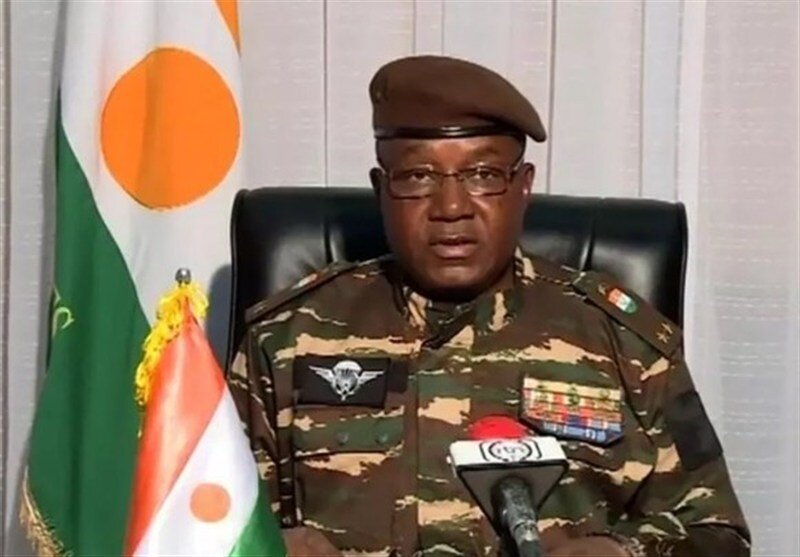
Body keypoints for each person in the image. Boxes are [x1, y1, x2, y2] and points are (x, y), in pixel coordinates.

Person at [229, 55, 750, 557]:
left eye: (482, 174)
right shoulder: (286, 338)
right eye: (418, 177)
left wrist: (623, 551)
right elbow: (204, 517)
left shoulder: (626, 345)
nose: (451, 208)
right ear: (381, 189)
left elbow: (717, 532)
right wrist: (265, 550)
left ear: (524, 186)